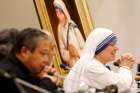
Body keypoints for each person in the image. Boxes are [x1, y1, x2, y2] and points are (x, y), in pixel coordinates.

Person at [64, 28, 136, 93]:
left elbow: (128, 89)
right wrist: (125, 67)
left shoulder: (96, 65)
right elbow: (121, 85)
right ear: (99, 47)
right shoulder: (91, 67)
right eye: (112, 44)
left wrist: (124, 67)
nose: (117, 48)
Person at [0, 28, 59, 93]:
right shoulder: (6, 74)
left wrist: (41, 78)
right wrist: (48, 82)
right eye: (43, 53)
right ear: (24, 52)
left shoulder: (28, 71)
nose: (47, 61)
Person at [53, 0, 85, 67]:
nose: (58, 15)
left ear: (64, 12)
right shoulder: (59, 29)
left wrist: (77, 53)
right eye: (57, 13)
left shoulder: (72, 25)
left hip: (81, 60)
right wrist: (69, 54)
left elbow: (83, 45)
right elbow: (62, 50)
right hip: (72, 63)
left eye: (60, 13)